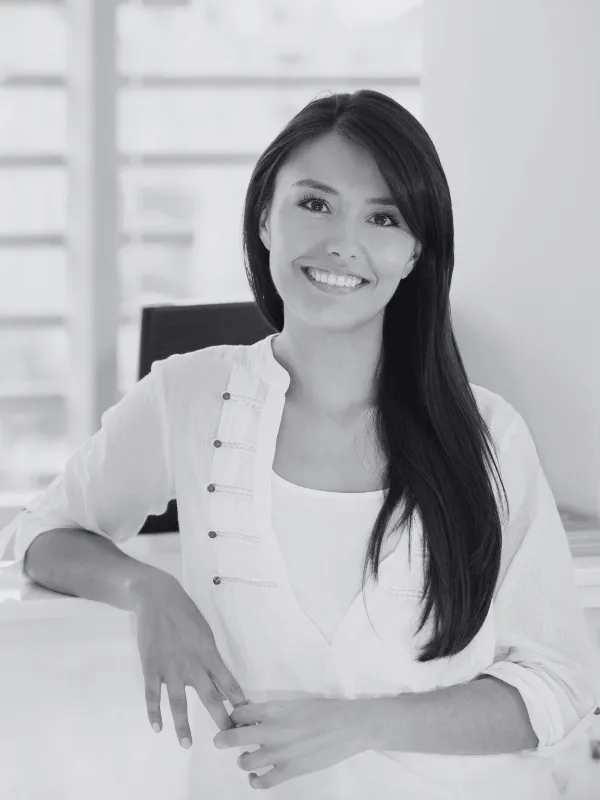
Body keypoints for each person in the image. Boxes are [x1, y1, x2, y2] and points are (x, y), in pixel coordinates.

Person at [7, 89, 599, 799]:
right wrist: (147, 589)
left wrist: (361, 726)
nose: (343, 242)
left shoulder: (488, 434)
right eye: (315, 203)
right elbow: (42, 532)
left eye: (384, 217)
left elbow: (558, 685)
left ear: (415, 252)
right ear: (265, 217)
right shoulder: (189, 396)